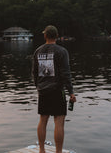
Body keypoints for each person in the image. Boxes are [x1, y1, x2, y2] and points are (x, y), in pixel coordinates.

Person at [32, 25, 76, 153]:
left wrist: (38, 87)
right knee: (59, 122)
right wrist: (71, 92)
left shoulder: (37, 51)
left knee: (43, 119)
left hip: (43, 91)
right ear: (56, 36)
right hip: (57, 91)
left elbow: (34, 72)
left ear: (45, 35)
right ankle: (58, 152)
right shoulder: (62, 51)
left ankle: (41, 150)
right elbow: (66, 73)